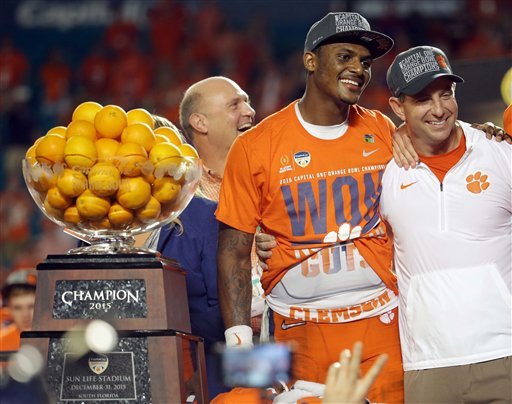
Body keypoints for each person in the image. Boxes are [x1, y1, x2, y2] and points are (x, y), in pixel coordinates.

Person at [216, 12, 404, 403]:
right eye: (345, 56)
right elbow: (234, 252)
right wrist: (238, 341)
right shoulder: (256, 145)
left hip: (381, 323)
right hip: (293, 329)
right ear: (311, 61)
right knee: (241, 400)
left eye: (365, 63)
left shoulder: (383, 130)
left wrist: (482, 132)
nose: (358, 69)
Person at [379, 45, 512, 403]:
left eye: (446, 94)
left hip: (505, 352)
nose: (439, 110)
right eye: (422, 99)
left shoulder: (499, 152)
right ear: (397, 108)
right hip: (428, 363)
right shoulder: (384, 171)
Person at [0, 269, 37, 352]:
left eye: (31, 306)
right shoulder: (1, 342)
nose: (25, 315)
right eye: (17, 308)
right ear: (9, 308)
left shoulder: (59, 340)